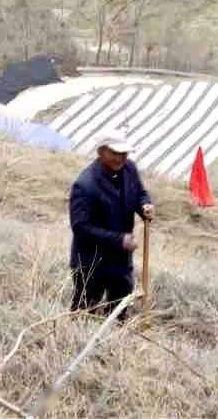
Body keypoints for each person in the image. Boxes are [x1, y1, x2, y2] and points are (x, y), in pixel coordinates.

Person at [69, 129, 154, 319]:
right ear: (101, 152)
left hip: (120, 261)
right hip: (91, 262)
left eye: (123, 153)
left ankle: (114, 343)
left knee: (119, 310)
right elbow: (80, 227)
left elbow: (140, 193)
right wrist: (119, 240)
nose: (120, 158)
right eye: (115, 153)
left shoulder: (129, 169)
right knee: (83, 313)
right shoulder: (85, 185)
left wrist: (145, 206)